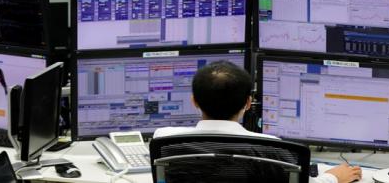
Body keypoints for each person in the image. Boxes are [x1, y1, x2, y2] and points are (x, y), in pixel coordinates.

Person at [153, 61, 363, 183]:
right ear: (247, 103)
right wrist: (333, 178)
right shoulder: (273, 149)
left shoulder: (165, 142)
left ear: (194, 101)